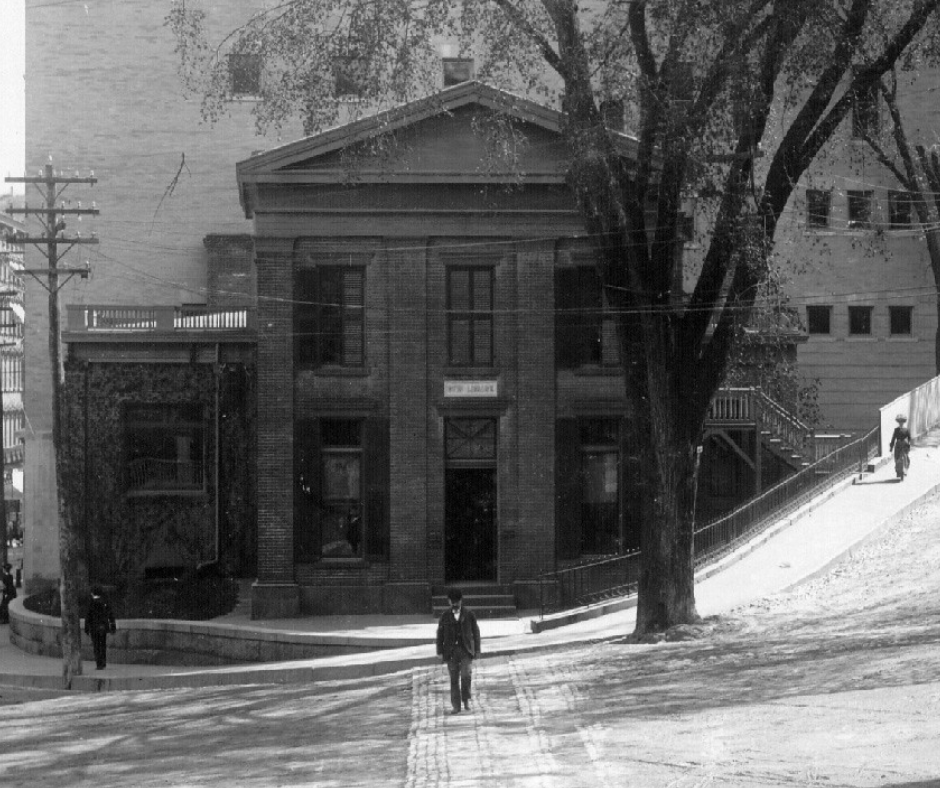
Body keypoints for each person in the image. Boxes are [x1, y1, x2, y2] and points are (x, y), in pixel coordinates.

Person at [435, 587, 481, 715]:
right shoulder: (445, 616)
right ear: (449, 602)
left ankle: (465, 698)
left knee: (466, 675)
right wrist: (439, 650)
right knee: (454, 679)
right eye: (452, 602)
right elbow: (440, 634)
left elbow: (476, 632)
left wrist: (477, 649)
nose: (455, 604)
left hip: (465, 650)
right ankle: (456, 706)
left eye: (457, 602)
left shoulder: (469, 614)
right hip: (450, 652)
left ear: (461, 601)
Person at [84, 586, 117, 669]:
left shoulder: (91, 603)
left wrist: (86, 628)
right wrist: (113, 626)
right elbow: (111, 615)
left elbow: (88, 616)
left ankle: (99, 663)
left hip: (94, 627)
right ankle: (103, 662)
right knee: (102, 645)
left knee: (96, 645)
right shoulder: (105, 602)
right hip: (103, 627)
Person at [889, 414, 912, 481]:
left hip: (904, 446)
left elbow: (909, 438)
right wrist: (891, 446)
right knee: (897, 458)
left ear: (904, 422)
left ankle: (904, 471)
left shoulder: (907, 430)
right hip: (898, 446)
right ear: (898, 422)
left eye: (902, 422)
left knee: (905, 458)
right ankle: (898, 471)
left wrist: (909, 446)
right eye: (900, 422)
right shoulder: (896, 430)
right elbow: (893, 438)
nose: (901, 423)